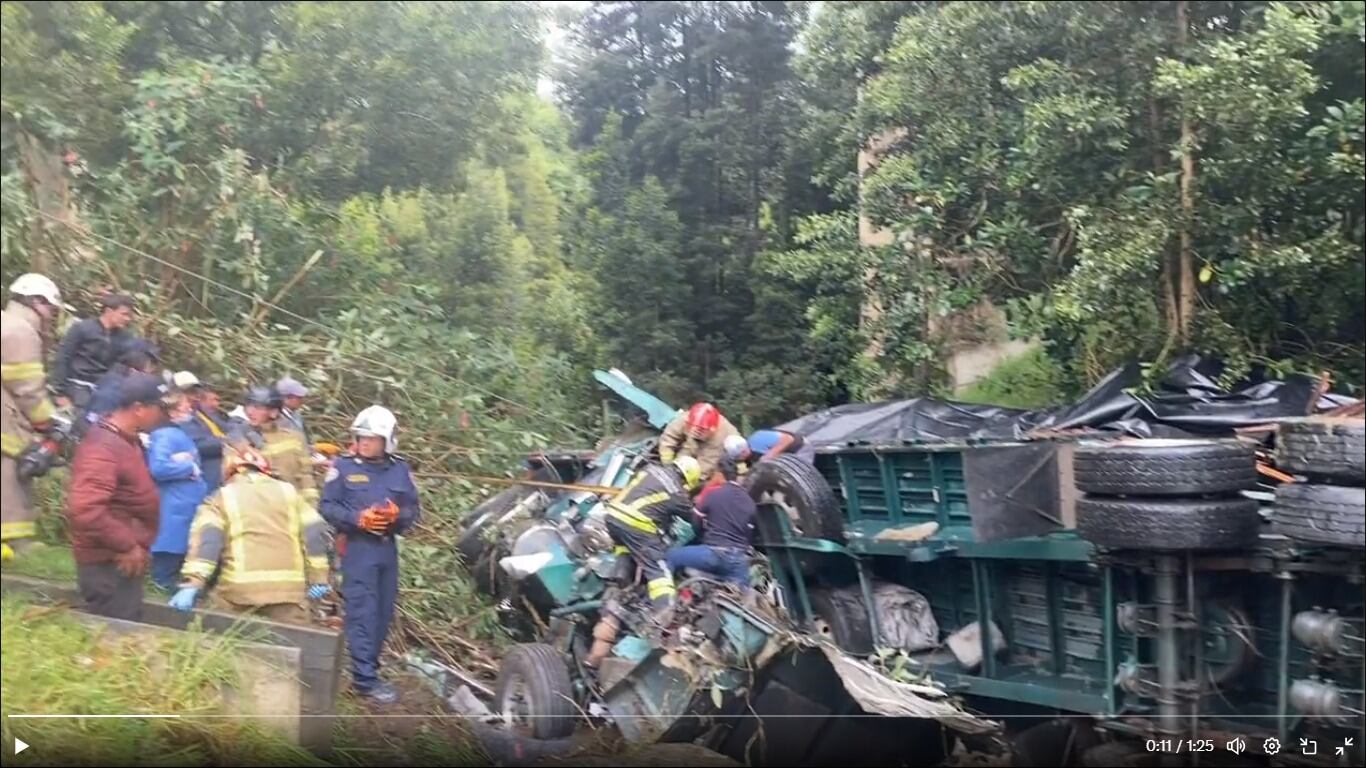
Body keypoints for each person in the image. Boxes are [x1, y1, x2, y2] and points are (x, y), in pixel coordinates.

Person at [319, 405, 421, 704]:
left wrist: (396, 515)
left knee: (383, 613)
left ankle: (370, 668)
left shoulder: (400, 469)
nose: (364, 442)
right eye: (360, 437)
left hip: (387, 549)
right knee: (362, 612)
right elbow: (327, 507)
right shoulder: (344, 467)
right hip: (358, 548)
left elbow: (414, 510)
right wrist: (357, 519)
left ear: (387, 441)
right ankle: (365, 681)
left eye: (371, 438)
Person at [170, 447, 331, 624]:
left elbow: (208, 542)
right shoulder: (290, 493)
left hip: (237, 592)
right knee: (295, 643)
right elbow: (315, 532)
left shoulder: (221, 497)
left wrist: (194, 582)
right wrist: (319, 578)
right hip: (288, 593)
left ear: (230, 472)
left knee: (223, 639)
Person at [64, 372, 165, 620]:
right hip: (108, 563)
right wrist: (127, 544)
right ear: (139, 408)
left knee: (127, 630)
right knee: (113, 639)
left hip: (122, 561)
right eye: (159, 407)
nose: (164, 414)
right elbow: (85, 509)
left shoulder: (127, 441)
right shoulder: (103, 447)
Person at [1, 274, 63, 559]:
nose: (51, 315)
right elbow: (27, 388)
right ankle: (16, 544)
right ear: (36, 301)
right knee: (10, 475)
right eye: (51, 307)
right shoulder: (21, 331)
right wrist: (48, 422)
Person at [604, 456, 702, 613]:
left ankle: (620, 578)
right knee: (659, 568)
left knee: (624, 546)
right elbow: (693, 519)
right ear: (687, 480)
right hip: (635, 523)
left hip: (613, 515)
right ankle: (665, 613)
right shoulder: (677, 494)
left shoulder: (650, 468)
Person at [146, 391, 208, 591]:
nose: (190, 408)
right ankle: (161, 586)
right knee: (168, 557)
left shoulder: (176, 433)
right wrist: (188, 468)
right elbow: (158, 468)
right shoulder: (165, 434)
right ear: (172, 412)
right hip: (174, 507)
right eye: (185, 405)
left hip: (181, 506)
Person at [666, 457, 755, 587]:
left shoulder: (714, 494)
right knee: (742, 595)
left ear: (719, 474)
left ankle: (662, 602)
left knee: (670, 557)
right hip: (738, 560)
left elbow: (695, 524)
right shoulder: (750, 502)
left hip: (713, 554)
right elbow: (749, 535)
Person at [229, 386, 317, 507]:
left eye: (257, 407)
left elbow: (306, 476)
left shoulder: (295, 438)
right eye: (248, 406)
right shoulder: (239, 438)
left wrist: (311, 508)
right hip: (256, 510)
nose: (250, 411)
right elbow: (231, 478)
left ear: (274, 412)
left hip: (291, 507)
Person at [51, 291, 137, 414]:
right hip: (77, 383)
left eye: (129, 316)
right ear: (108, 311)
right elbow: (63, 357)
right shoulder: (83, 328)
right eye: (124, 314)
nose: (127, 319)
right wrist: (60, 392)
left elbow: (122, 366)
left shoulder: (124, 338)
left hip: (102, 387)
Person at [658, 402, 741, 485]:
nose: (695, 431)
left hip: (714, 463)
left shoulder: (721, 435)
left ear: (712, 429)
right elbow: (668, 438)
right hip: (691, 446)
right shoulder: (687, 418)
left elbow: (704, 469)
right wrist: (667, 466)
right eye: (692, 426)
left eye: (701, 430)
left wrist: (684, 486)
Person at [174, 371, 228, 495]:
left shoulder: (202, 412)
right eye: (189, 392)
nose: (194, 396)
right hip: (205, 476)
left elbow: (228, 427)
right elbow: (196, 444)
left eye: (195, 391)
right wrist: (228, 442)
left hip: (223, 470)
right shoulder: (179, 417)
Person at [85, 341, 160, 422]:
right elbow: (93, 423)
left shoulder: (125, 382)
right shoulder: (115, 388)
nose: (152, 370)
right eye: (151, 363)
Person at [746, 427, 815, 464]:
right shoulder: (746, 459)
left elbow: (788, 438)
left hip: (800, 448)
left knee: (797, 479)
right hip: (787, 456)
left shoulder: (757, 438)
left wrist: (770, 455)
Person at [276, 377, 312, 445]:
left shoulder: (296, 415)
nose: (302, 400)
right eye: (299, 398)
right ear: (286, 399)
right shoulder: (277, 418)